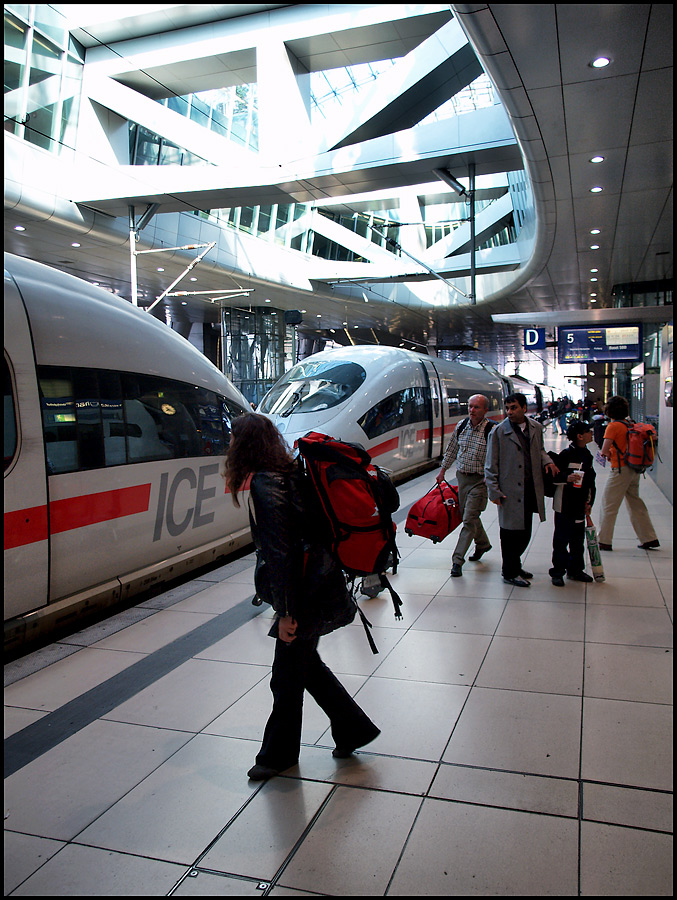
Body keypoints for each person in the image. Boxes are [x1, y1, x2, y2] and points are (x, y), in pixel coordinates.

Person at [223, 413, 380, 781]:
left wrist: (286, 611)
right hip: (320, 585)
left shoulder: (267, 483)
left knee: (286, 677)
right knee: (305, 668)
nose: (229, 447)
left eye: (233, 440)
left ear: (245, 445)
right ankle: (353, 727)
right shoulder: (290, 471)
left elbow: (282, 553)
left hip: (306, 594)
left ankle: (279, 756)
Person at [485, 393, 559, 586]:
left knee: (525, 531)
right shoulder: (499, 432)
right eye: (507, 408)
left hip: (530, 488)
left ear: (524, 408)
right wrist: (493, 490)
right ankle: (510, 571)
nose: (509, 412)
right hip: (509, 490)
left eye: (514, 407)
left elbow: (540, 450)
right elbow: (490, 464)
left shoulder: (536, 428)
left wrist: (548, 461)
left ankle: (514, 565)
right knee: (509, 534)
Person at [436, 394, 494, 577]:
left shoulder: (492, 430)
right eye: (470, 406)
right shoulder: (461, 426)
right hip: (462, 478)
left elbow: (499, 457)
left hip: (480, 481)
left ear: (485, 410)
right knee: (468, 515)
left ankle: (457, 561)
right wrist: (443, 470)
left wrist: (492, 477)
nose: (472, 410)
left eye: (476, 407)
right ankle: (483, 544)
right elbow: (452, 449)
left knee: (468, 519)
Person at [597, 396, 660, 551]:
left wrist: (604, 454)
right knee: (635, 503)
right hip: (634, 468)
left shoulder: (613, 426)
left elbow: (604, 450)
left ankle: (604, 540)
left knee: (609, 504)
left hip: (620, 469)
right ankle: (649, 537)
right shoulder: (630, 424)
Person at [548, 420, 597, 586]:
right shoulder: (565, 455)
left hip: (579, 505)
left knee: (577, 539)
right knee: (561, 540)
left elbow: (590, 481)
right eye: (588, 432)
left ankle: (576, 570)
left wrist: (590, 502)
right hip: (564, 504)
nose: (592, 434)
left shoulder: (587, 456)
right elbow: (552, 477)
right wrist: (565, 478)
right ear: (580, 436)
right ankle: (558, 571)